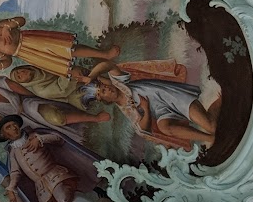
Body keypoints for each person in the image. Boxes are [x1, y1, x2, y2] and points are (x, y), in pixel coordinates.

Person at [0, 114, 109, 202]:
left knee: (64, 198)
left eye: (14, 124)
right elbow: (15, 172)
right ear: (3, 135)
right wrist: (11, 188)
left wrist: (40, 139)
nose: (14, 128)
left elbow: (58, 139)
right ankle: (93, 191)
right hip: (41, 187)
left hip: (55, 174)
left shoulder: (34, 135)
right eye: (8, 127)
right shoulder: (13, 151)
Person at [83, 62, 218, 150]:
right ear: (105, 100)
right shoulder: (126, 108)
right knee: (164, 127)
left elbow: (108, 65)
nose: (107, 88)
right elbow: (143, 129)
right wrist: (145, 108)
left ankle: (221, 98)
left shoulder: (120, 84)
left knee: (211, 126)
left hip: (171, 96)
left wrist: (92, 75)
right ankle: (209, 138)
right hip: (162, 111)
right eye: (104, 91)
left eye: (104, 86)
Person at [0, 75, 107, 132]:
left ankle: (94, 118)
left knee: (55, 116)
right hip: (23, 120)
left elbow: (15, 87)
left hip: (28, 102)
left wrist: (32, 98)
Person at [0, 18, 114, 76]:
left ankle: (105, 55)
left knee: (69, 50)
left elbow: (21, 20)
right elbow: (7, 62)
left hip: (32, 40)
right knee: (64, 68)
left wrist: (8, 26)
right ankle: (96, 76)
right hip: (28, 55)